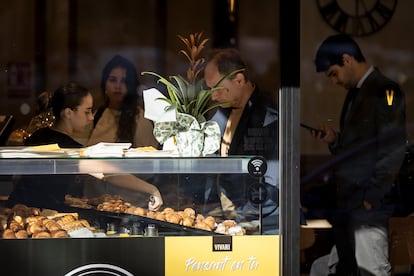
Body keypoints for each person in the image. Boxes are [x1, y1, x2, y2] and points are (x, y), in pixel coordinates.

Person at [310, 34, 406, 275]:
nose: (334, 81)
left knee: (370, 269)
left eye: (333, 73)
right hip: (349, 203)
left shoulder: (384, 90)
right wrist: (335, 139)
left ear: (347, 59)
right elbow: (363, 145)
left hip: (367, 206)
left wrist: (371, 197)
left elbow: (392, 149)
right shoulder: (357, 92)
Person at [7, 82, 163, 211]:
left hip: (15, 208)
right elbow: (108, 173)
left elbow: (20, 178)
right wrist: (151, 189)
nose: (91, 117)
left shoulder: (38, 135)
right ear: (68, 113)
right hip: (35, 214)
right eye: (87, 112)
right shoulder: (67, 148)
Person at [203, 48, 279, 234]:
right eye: (209, 89)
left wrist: (242, 220)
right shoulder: (224, 110)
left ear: (239, 80)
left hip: (261, 224)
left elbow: (271, 184)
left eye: (217, 89)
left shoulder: (267, 118)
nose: (213, 97)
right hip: (229, 219)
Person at [87, 54, 159, 148]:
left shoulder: (140, 118)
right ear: (104, 85)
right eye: (113, 80)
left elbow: (149, 157)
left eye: (124, 81)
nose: (118, 86)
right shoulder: (97, 114)